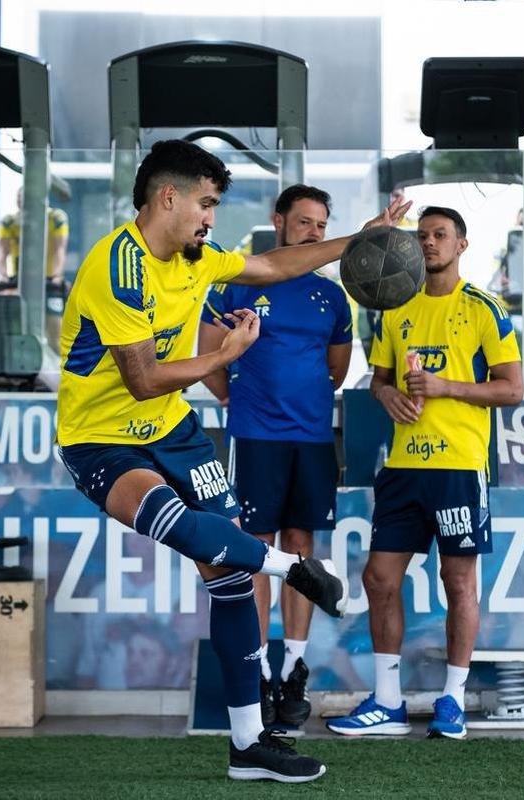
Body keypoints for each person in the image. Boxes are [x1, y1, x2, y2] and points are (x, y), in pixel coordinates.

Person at [55, 139, 410, 783]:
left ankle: (249, 746)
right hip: (102, 438)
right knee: (186, 526)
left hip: (176, 433)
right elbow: (144, 379)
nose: (210, 218)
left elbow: (273, 268)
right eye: (206, 203)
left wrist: (359, 240)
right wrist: (225, 357)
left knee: (229, 573)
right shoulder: (118, 267)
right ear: (168, 198)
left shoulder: (196, 257)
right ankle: (293, 567)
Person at [326, 206, 523, 739]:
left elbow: (512, 389)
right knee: (378, 578)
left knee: (458, 582)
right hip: (404, 468)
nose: (429, 243)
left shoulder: (485, 308)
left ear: (462, 244)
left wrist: (447, 387)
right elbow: (378, 381)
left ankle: (452, 701)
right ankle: (387, 702)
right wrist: (388, 395)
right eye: (423, 236)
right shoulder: (395, 306)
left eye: (440, 235)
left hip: (458, 466)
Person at [198, 184, 352, 731]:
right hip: (256, 437)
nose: (313, 232)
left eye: (321, 224)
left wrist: (302, 398)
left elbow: (337, 368)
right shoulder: (240, 278)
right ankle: (259, 673)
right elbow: (209, 355)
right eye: (305, 222)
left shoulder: (332, 297)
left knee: (301, 547)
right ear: (279, 221)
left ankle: (293, 670)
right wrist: (228, 395)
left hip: (311, 439)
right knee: (258, 552)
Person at [0, 187, 71, 351]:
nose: (23, 203)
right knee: (15, 325)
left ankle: (62, 366)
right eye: (20, 199)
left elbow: (59, 249)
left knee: (55, 333)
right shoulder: (9, 221)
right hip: (19, 280)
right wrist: (2, 275)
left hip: (48, 280)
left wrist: (57, 275)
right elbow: (1, 253)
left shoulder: (56, 218)